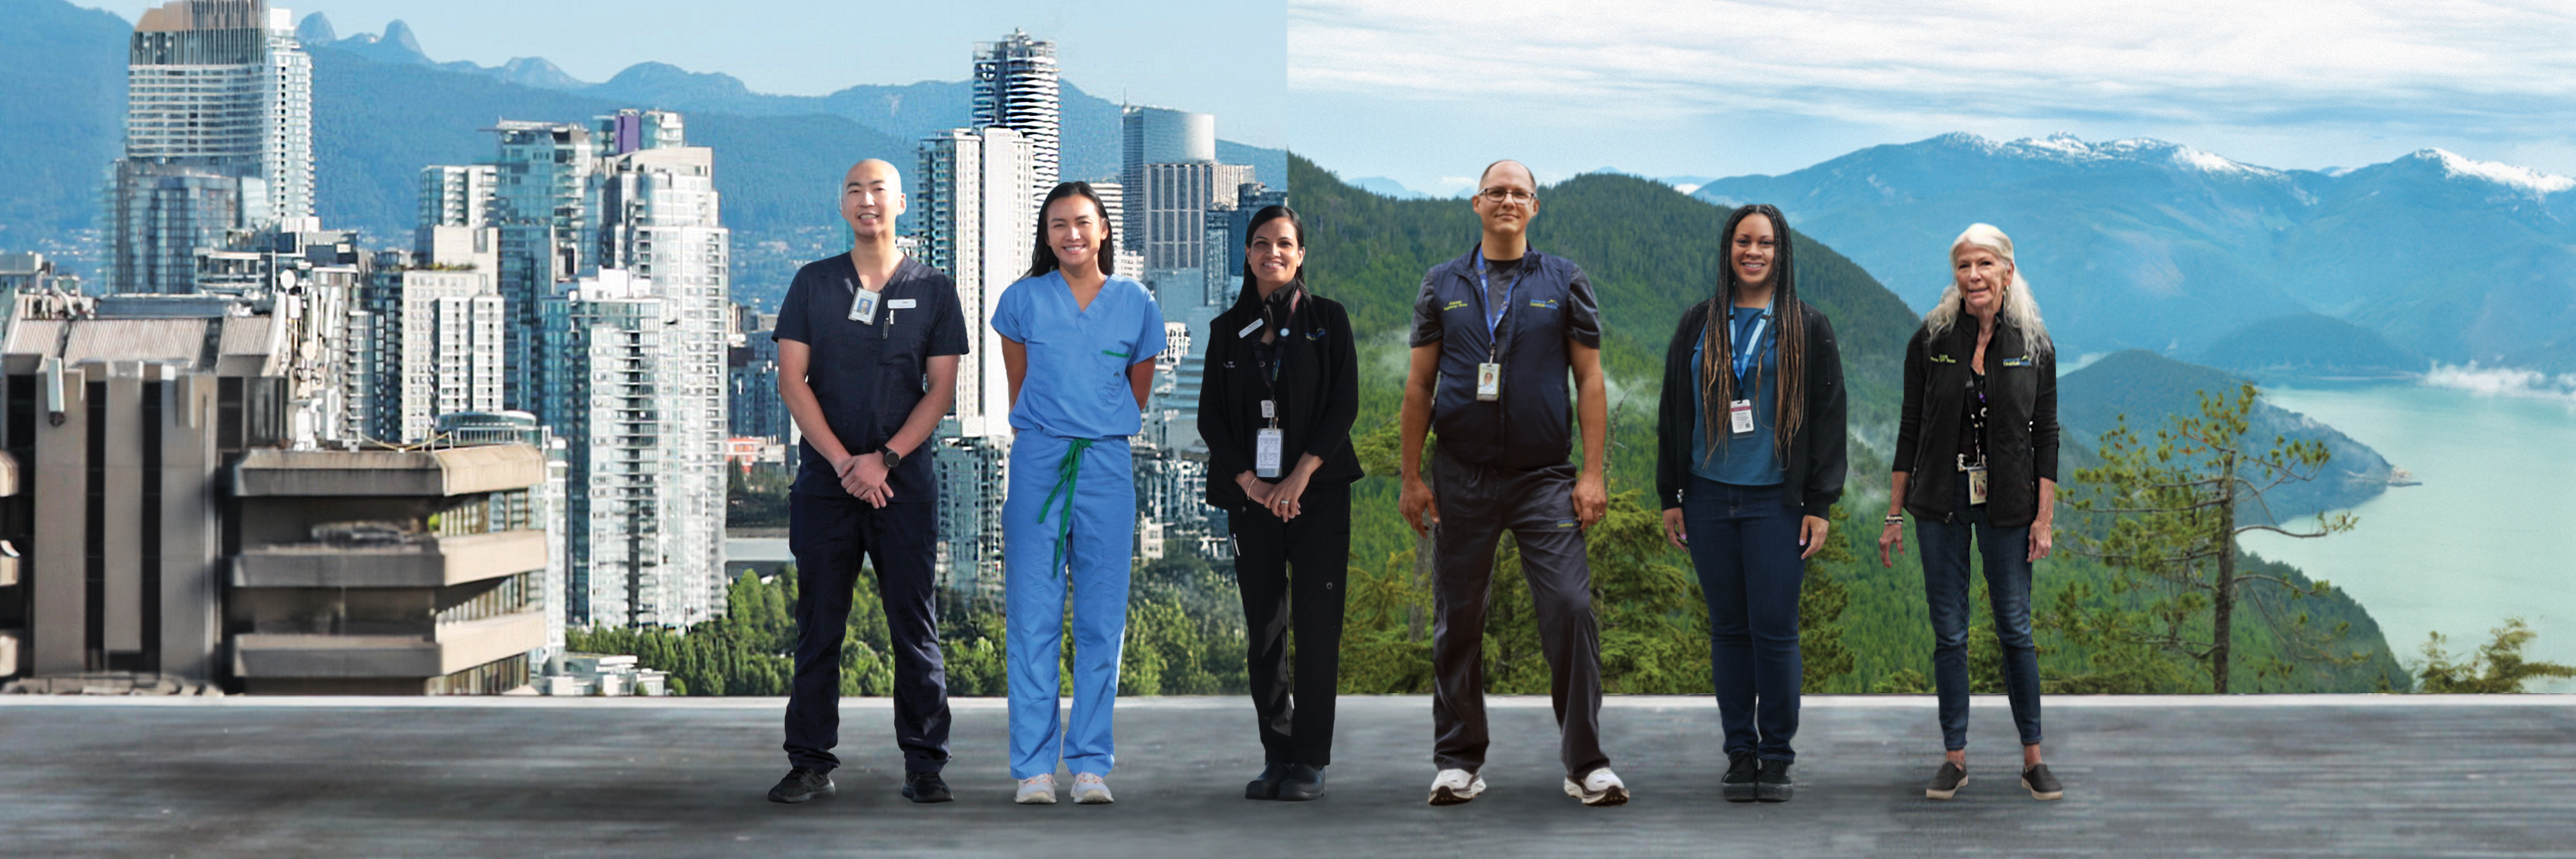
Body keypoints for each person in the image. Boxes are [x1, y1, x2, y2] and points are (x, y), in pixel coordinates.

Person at [1398, 159, 1624, 807]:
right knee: (1458, 619)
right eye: (1495, 192)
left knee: (1571, 610)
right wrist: (1412, 477)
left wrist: (1591, 473)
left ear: (1535, 207)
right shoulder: (1443, 284)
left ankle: (1587, 763)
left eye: (1518, 193)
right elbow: (1419, 385)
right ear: (1476, 203)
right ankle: (1458, 761)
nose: (1506, 201)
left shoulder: (1564, 281)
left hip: (1544, 479)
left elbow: (1591, 381)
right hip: (1460, 476)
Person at [768, 159, 969, 805]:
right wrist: (843, 463)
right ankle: (809, 762)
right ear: (841, 205)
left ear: (901, 203)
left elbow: (941, 390)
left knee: (913, 624)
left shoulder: (934, 289)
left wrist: (883, 457)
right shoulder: (813, 284)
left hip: (903, 484)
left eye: (878, 189)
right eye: (853, 189)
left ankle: (925, 764)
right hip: (827, 486)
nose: (866, 200)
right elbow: (790, 381)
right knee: (819, 623)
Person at [1654, 203, 1849, 804]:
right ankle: (1740, 754)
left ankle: (1777, 756)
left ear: (1781, 252)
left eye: (1765, 243)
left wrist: (1819, 502)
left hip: (1776, 501)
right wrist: (1672, 495)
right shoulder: (1698, 322)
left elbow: (1827, 419)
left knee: (1775, 631)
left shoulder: (1807, 326)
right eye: (1744, 241)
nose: (1754, 252)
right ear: (1728, 249)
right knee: (1729, 631)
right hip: (1708, 494)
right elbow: (1672, 413)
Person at [1878, 222, 2063, 803]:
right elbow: (1910, 428)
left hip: (2010, 505)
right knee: (1950, 634)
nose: (1974, 276)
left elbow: (2048, 436)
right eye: (1964, 266)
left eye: (1985, 265)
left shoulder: (2034, 344)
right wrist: (1893, 514)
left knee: (2015, 628)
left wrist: (2044, 517)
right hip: (1940, 502)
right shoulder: (1931, 339)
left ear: (2008, 270)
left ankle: (2033, 759)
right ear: (1954, 275)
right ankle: (1954, 759)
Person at [994, 181, 1163, 806]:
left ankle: (1091, 765)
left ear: (1104, 232)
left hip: (1107, 463)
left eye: (1083, 222)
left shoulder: (1135, 302)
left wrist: (1093, 421)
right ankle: (1033, 770)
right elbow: (1020, 385)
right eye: (1058, 224)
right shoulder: (1021, 300)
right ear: (1046, 235)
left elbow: (1135, 392)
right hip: (1039, 457)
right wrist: (1055, 421)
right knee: (1032, 617)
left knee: (1101, 620)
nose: (1071, 233)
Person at [1198, 205, 1362, 802]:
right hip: (1252, 501)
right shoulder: (1225, 331)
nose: (1273, 252)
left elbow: (1344, 403)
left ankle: (1312, 759)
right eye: (1262, 243)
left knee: (1318, 631)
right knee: (1264, 632)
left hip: (1317, 496)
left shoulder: (1327, 321)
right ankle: (1278, 753)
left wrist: (1299, 477)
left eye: (1285, 244)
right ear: (1247, 254)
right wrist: (1252, 484)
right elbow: (1211, 417)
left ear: (1300, 256)